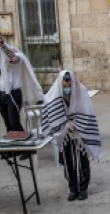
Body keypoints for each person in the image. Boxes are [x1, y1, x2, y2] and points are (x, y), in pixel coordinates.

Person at [43, 70, 101, 201]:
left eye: (69, 86)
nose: (67, 89)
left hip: (79, 132)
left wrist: (77, 122)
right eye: (64, 86)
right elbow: (51, 111)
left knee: (82, 160)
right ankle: (73, 188)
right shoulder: (54, 94)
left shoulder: (81, 91)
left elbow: (87, 110)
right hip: (64, 132)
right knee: (68, 161)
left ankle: (83, 188)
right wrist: (66, 123)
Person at [0, 34, 43, 132]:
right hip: (1, 93)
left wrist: (2, 46)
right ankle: (12, 142)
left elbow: (14, 59)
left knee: (14, 122)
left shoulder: (18, 56)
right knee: (8, 124)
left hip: (13, 94)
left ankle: (22, 142)